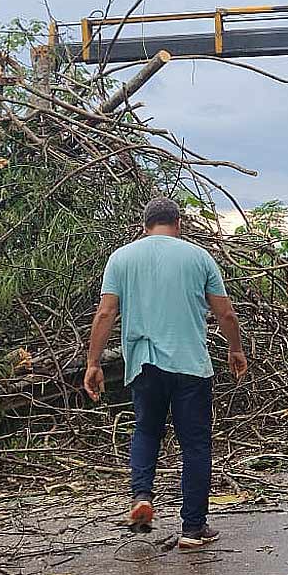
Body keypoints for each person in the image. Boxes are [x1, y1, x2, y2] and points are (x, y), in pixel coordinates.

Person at [83, 198, 248, 549]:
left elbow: (105, 314)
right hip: (190, 364)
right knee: (195, 445)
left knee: (146, 431)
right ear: (179, 224)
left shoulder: (121, 258)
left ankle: (142, 494)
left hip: (143, 363)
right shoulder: (199, 257)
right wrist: (235, 349)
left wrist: (93, 363)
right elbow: (226, 314)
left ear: (145, 226)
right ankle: (193, 527)